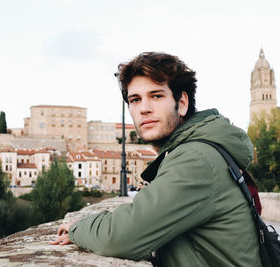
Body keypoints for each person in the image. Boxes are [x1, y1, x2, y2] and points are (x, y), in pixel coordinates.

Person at [50, 52, 261, 266]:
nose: (144, 108)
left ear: (183, 103)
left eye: (157, 96)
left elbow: (121, 237)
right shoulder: (195, 150)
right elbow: (145, 216)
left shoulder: (196, 158)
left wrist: (79, 226)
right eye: (135, 99)